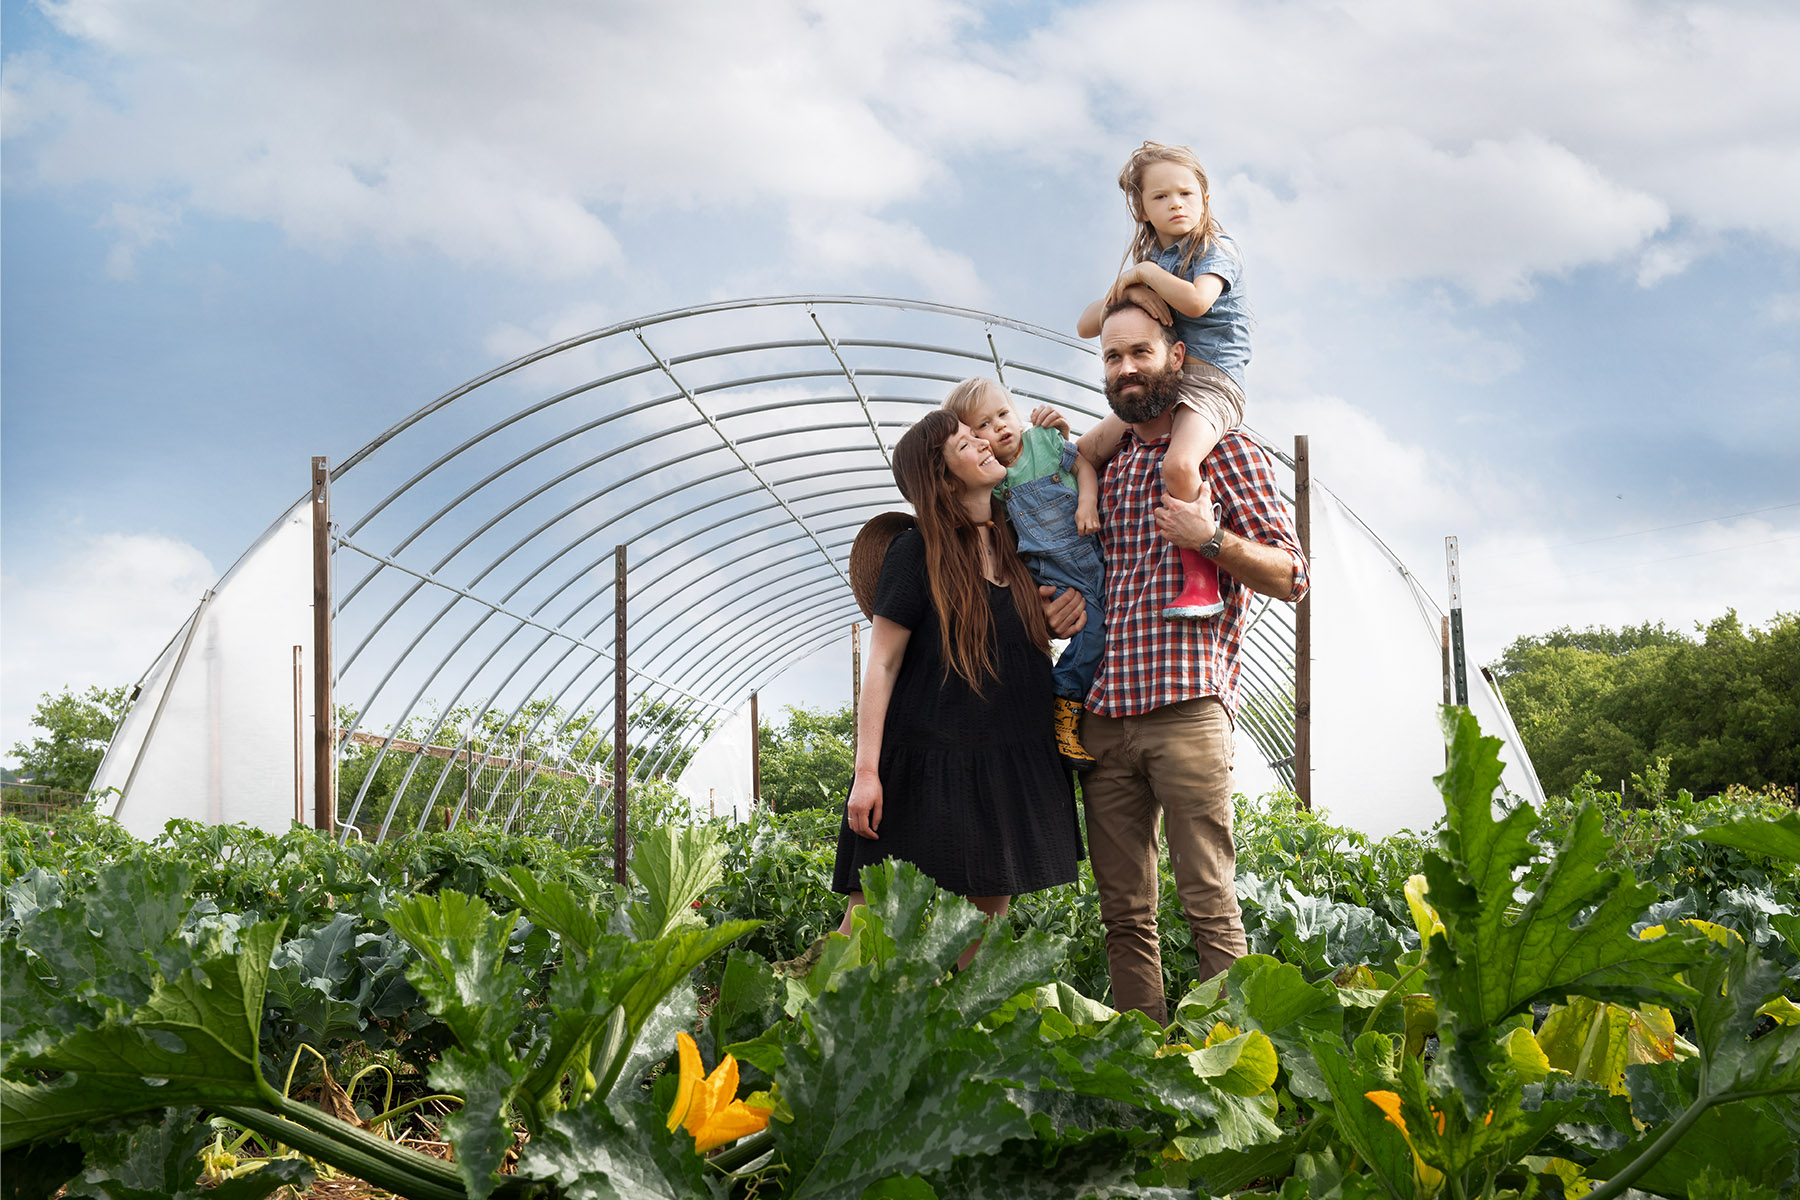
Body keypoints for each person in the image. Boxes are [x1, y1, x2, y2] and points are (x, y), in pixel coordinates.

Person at [1074, 300, 1308, 1025]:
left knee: (1209, 902)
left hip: (1187, 713)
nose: (1125, 368)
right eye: (1113, 358)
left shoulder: (1222, 451)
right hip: (1107, 721)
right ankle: (1146, 1070)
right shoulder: (1110, 469)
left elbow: (1293, 577)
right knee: (1124, 914)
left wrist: (1212, 540)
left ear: (1176, 357)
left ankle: (1226, 1066)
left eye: (1139, 352)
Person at [833, 409, 1084, 968]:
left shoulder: (1019, 543)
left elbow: (1024, 633)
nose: (984, 441)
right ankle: (809, 1035)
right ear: (943, 477)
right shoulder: (915, 552)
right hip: (924, 758)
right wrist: (866, 773)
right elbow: (883, 665)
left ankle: (953, 1044)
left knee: (984, 927)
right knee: (865, 920)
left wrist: (1059, 617)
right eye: (965, 442)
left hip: (1004, 755)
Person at [1077, 141, 1253, 622]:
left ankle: (1202, 580)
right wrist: (1132, 283)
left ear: (1205, 200)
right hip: (1168, 379)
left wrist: (1146, 274)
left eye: (1186, 193)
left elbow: (1196, 303)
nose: (1176, 204)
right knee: (1086, 450)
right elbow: (1087, 324)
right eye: (1160, 197)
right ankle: (1083, 540)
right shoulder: (1154, 259)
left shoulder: (1216, 250)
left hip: (1211, 381)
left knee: (1178, 464)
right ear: (1142, 211)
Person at [942, 377, 1104, 770]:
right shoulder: (996, 478)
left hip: (1091, 554)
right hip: (1054, 572)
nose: (998, 427)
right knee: (1094, 633)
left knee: (1114, 627)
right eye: (982, 425)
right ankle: (1063, 702)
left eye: (1002, 414)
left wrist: (1087, 505)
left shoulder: (1044, 441)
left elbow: (1082, 465)